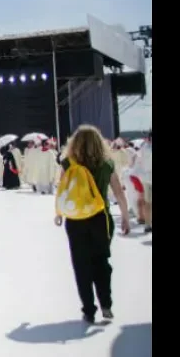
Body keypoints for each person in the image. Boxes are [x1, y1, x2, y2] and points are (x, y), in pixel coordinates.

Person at [55, 125, 130, 324]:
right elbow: (118, 192)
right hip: (101, 218)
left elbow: (61, 189)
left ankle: (88, 310)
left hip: (76, 219)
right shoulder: (107, 163)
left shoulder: (67, 164)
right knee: (101, 262)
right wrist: (125, 216)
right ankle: (106, 304)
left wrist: (59, 213)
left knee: (81, 265)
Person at [132, 131, 152, 232]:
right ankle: (148, 224)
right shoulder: (146, 149)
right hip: (148, 178)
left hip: (146, 178)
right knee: (147, 203)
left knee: (147, 203)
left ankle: (148, 224)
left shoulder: (144, 148)